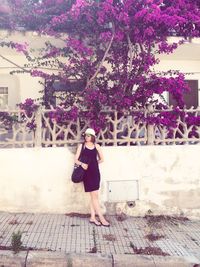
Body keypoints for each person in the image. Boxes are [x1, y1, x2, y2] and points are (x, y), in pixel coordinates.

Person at [74, 128, 110, 227]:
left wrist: (94, 164)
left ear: (93, 137)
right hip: (87, 174)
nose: (86, 137)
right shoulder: (82, 146)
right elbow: (75, 159)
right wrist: (82, 164)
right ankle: (101, 218)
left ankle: (93, 217)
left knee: (93, 196)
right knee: (95, 197)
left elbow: (102, 159)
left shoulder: (96, 146)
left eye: (89, 135)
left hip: (95, 173)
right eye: (85, 135)